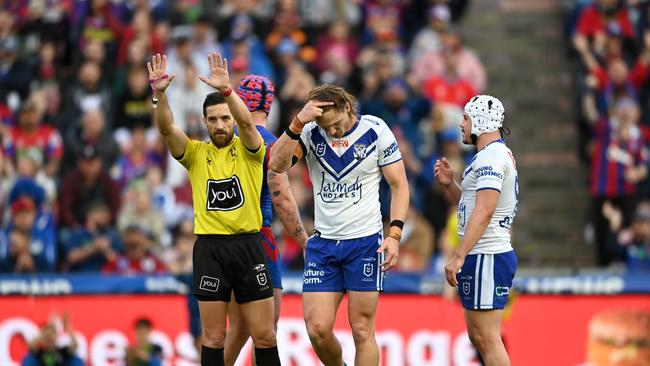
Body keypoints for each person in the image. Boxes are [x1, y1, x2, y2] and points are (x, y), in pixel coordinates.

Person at [147, 53, 280, 365]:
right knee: (214, 337)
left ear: (232, 120)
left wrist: (228, 91)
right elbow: (167, 130)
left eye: (225, 118)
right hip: (210, 250)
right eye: (214, 120)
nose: (220, 125)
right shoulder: (195, 154)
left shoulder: (250, 149)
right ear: (204, 122)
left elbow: (248, 121)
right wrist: (160, 95)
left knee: (265, 335)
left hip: (249, 245)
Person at [269, 84, 410, 366]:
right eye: (325, 126)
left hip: (365, 242)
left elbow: (400, 185)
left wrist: (394, 234)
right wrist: (299, 122)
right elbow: (276, 163)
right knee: (317, 330)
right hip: (323, 244)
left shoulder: (375, 130)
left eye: (334, 124)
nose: (331, 132)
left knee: (361, 329)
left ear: (346, 107)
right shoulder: (310, 133)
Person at [224, 75, 309, 366]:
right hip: (257, 239)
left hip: (220, 239)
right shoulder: (272, 145)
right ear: (269, 106)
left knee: (235, 330)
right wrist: (305, 243)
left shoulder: (222, 139)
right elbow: (283, 200)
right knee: (266, 332)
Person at [434, 95, 518, 365]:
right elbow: (474, 206)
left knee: (487, 338)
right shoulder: (490, 155)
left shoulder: (490, 157)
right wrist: (451, 185)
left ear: (481, 121)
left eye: (466, 118)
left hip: (487, 255)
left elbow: (485, 210)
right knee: (479, 337)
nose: (461, 124)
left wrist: (458, 255)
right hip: (484, 255)